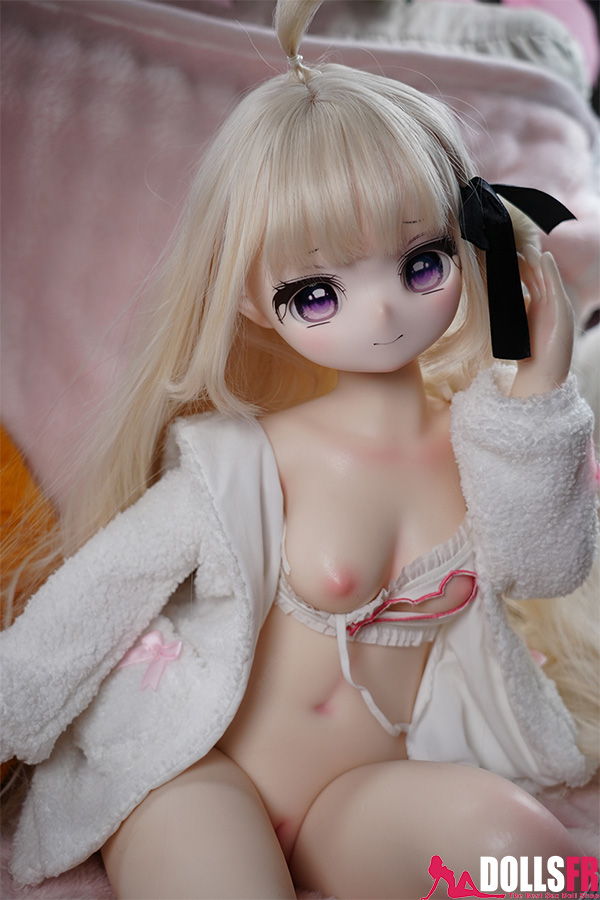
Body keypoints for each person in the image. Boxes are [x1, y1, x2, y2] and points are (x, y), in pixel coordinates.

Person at [1, 1, 598, 897]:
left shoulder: (488, 443)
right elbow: (92, 605)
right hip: (198, 773)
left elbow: (546, 566)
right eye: (316, 292)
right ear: (250, 299)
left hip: (359, 798)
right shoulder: (242, 460)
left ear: (468, 244)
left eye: (421, 264)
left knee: (533, 861)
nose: (383, 310)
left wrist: (539, 393)